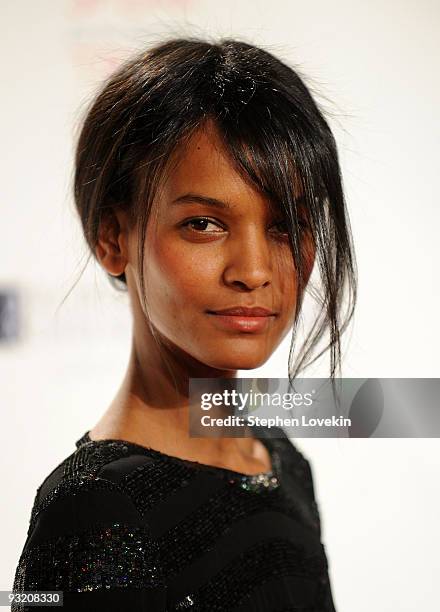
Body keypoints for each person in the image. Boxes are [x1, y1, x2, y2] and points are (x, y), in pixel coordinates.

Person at [12, 36, 356, 611]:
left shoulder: (284, 462)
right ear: (112, 237)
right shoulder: (91, 508)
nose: (253, 271)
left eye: (285, 227)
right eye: (204, 223)